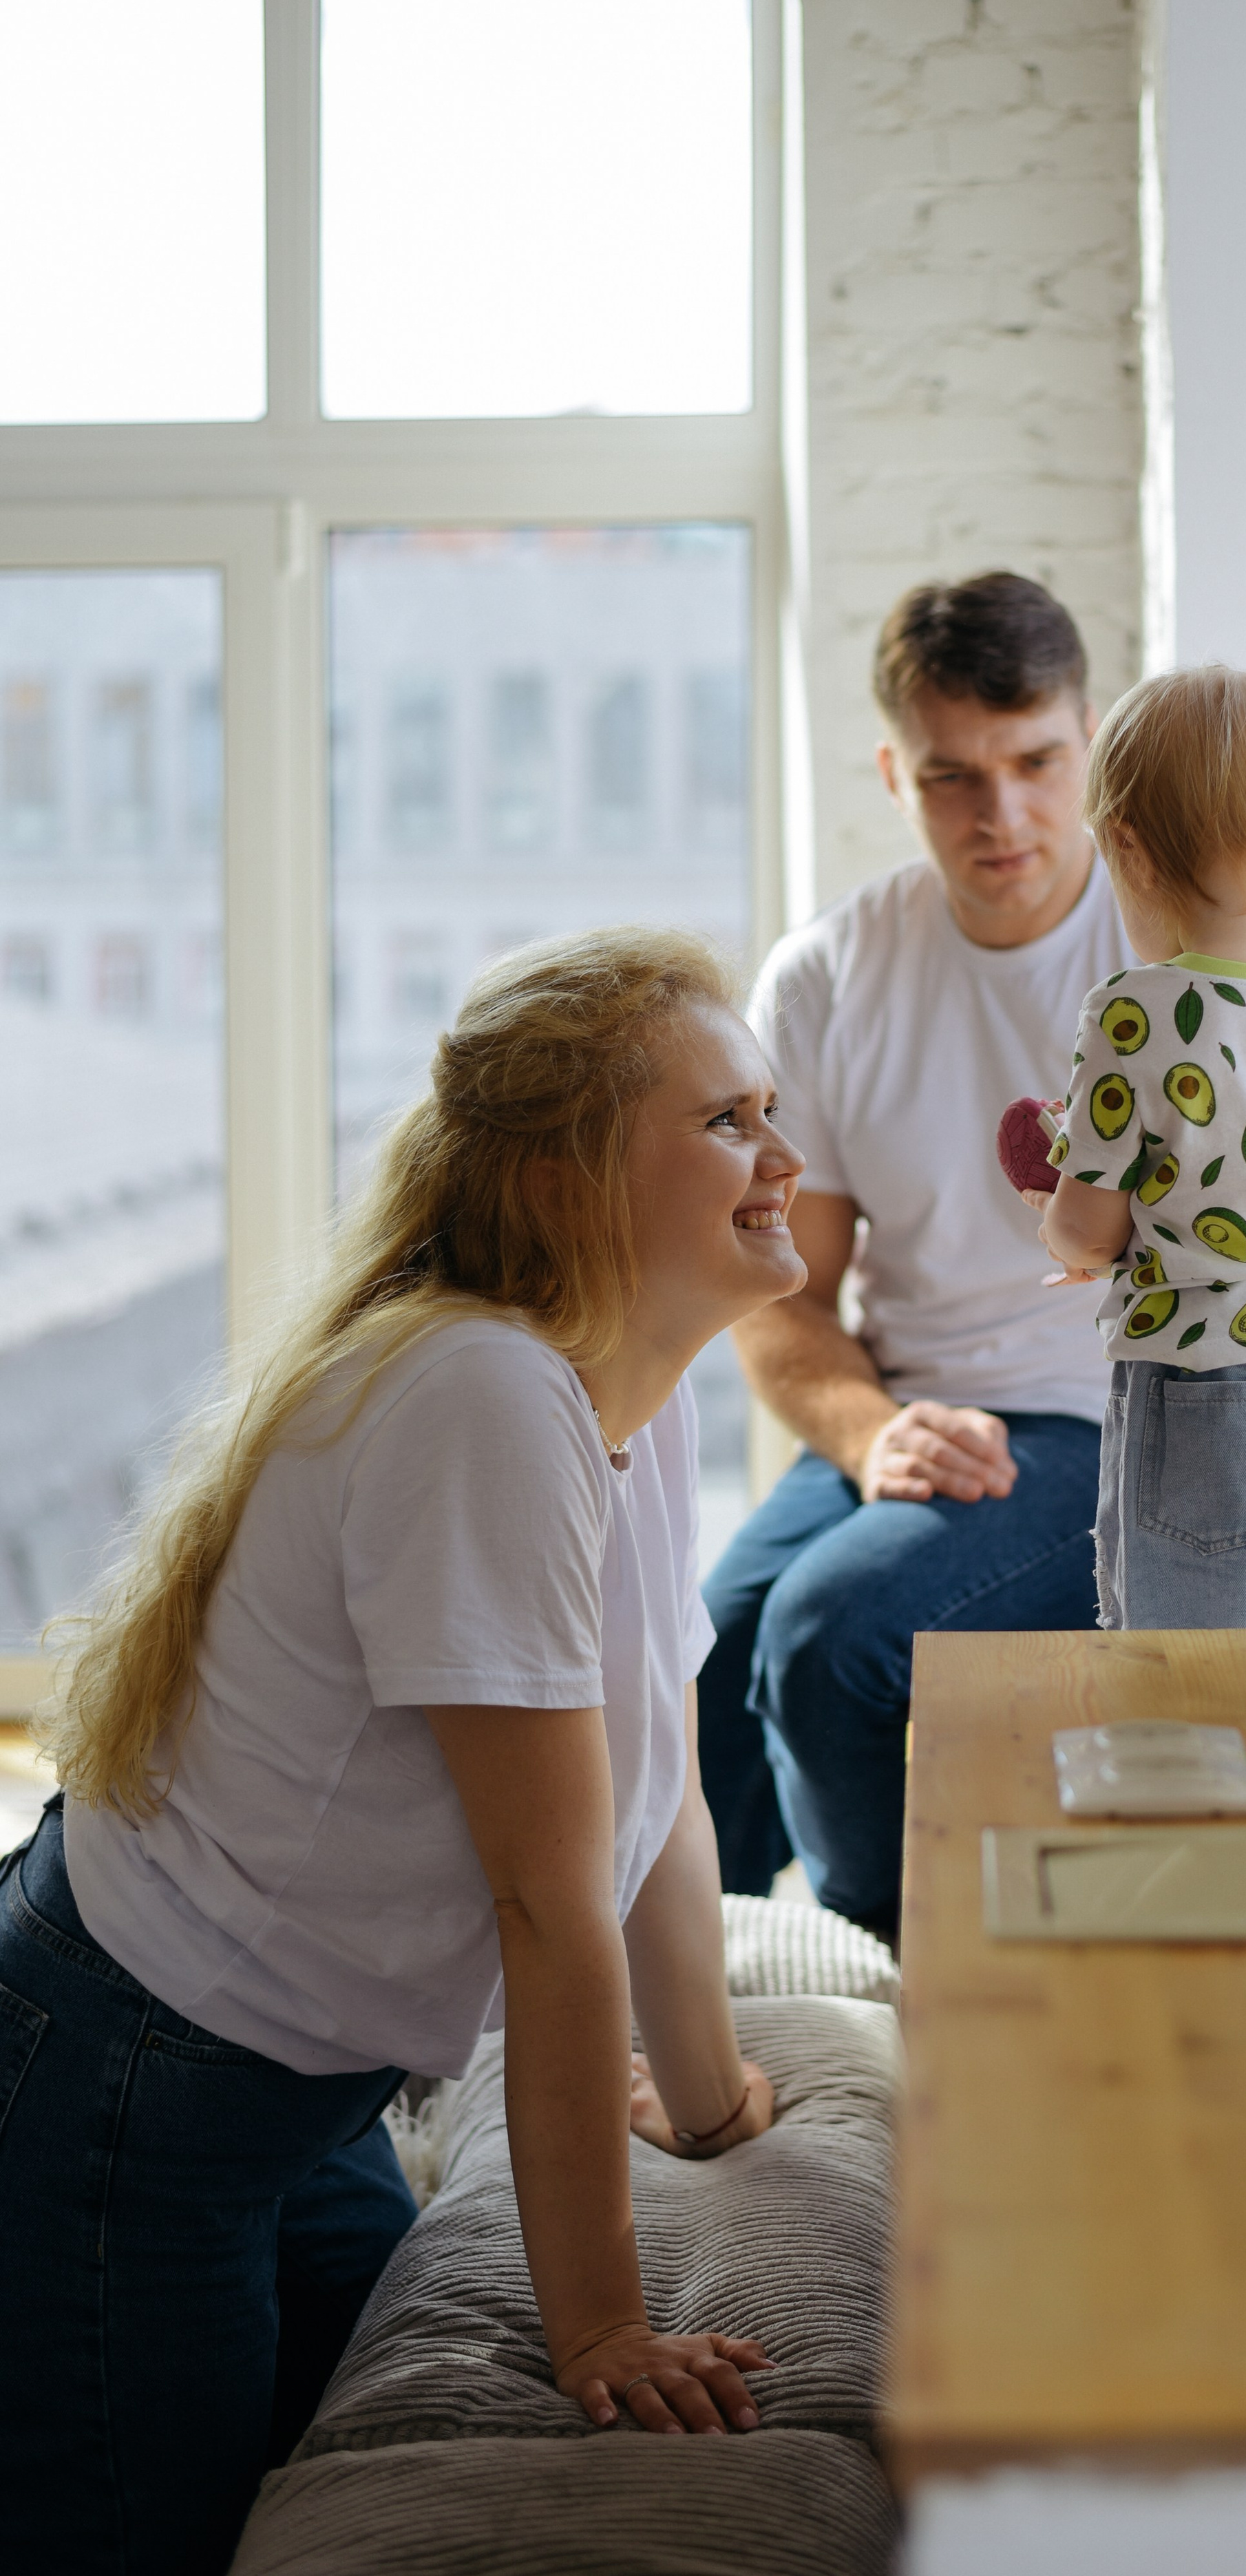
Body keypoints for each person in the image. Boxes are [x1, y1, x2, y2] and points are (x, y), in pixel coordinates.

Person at [0, 929, 812, 2576]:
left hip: (299, 2097)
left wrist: (719, 2105)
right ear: (572, 1177)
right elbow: (547, 1897)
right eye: (728, 1121)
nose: (784, 1158)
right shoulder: (482, 1401)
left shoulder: (625, 1404)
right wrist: (598, 2331)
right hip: (132, 2088)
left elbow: (652, 1813)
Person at [699, 572, 1134, 1942]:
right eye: (952, 777)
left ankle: (883, 1967)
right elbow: (780, 1300)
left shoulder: (1168, 943)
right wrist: (875, 1436)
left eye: (1035, 763)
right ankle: (692, 2006)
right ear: (894, 771)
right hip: (914, 1398)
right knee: (698, 1651)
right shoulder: (829, 973)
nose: (999, 814)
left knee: (831, 1633)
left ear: (1088, 743)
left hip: (1107, 1420)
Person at [1028, 665, 1246, 1629]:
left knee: (1178, 1678)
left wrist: (1066, 1237)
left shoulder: (1139, 1010)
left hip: (1204, 1392)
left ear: (1127, 846)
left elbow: (1087, 1226)